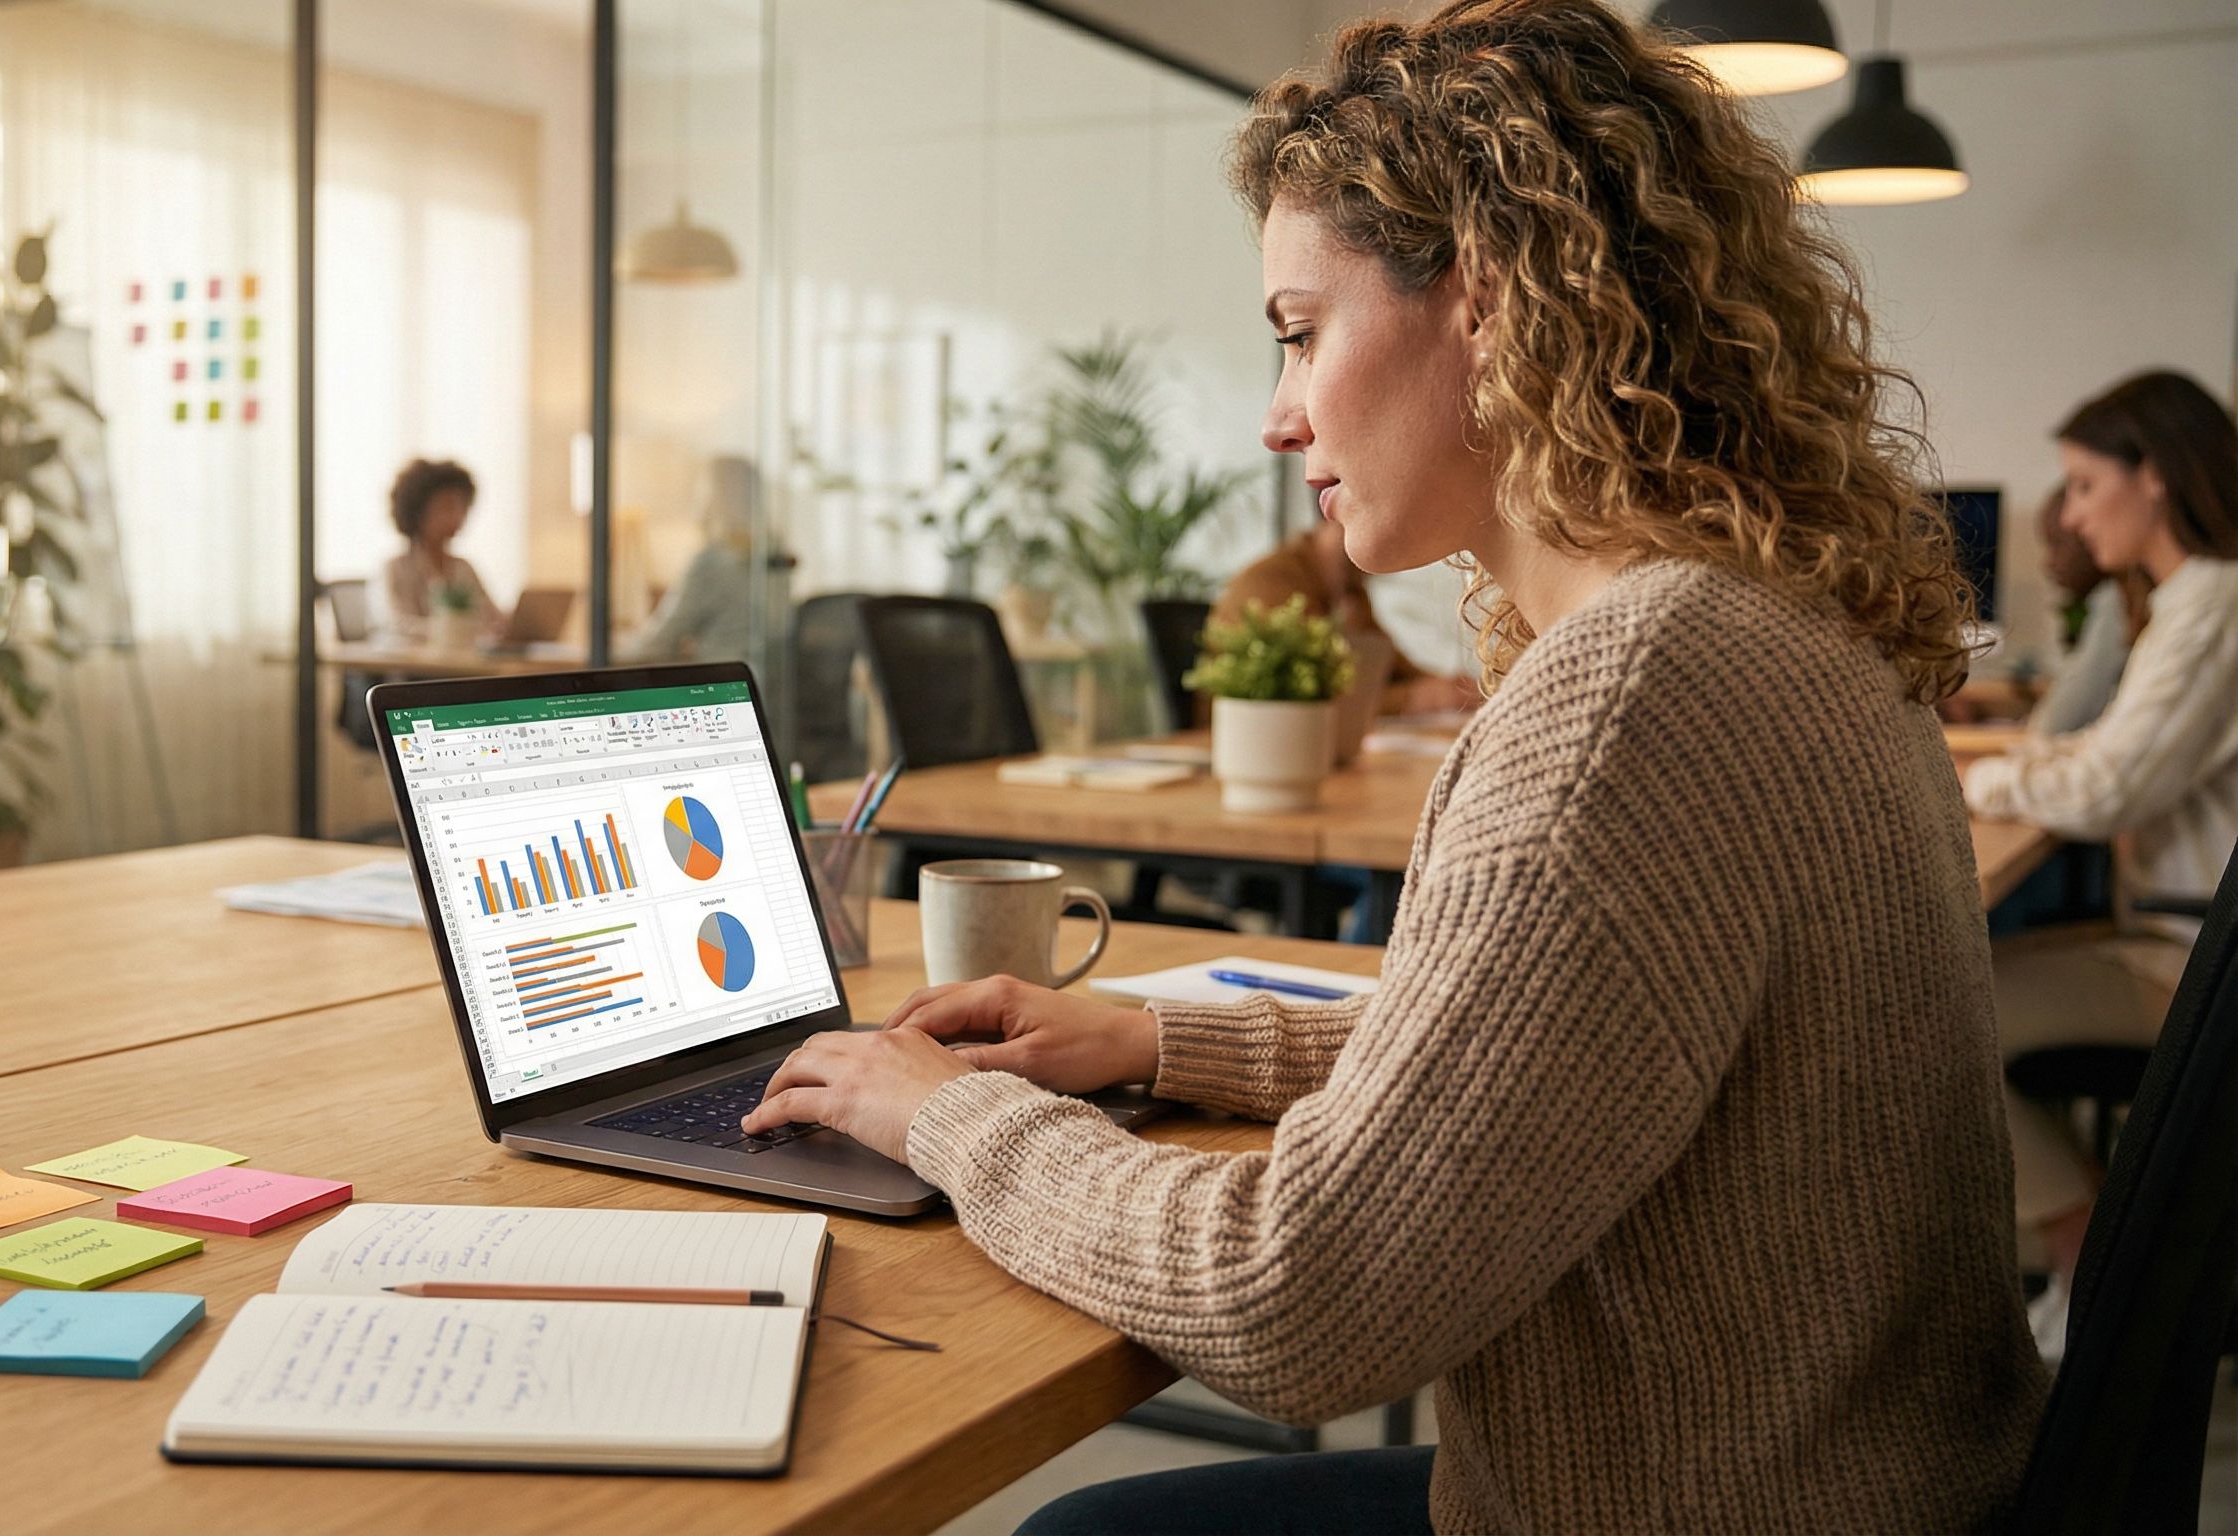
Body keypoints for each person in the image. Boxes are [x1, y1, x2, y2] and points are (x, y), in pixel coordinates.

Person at [742, 3, 2046, 1529]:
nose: (1280, 415)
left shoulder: (1631, 696)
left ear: (1487, 296)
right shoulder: (1758, 624)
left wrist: (948, 1121)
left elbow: (1299, 1303)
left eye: (1300, 332)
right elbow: (1542, 1059)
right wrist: (1158, 1046)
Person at [1963, 370, 2238, 1358]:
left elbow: (2106, 786)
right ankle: (2087, 1262)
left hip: (2186, 966)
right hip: (2169, 939)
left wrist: (1984, 783)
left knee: (1942, 1012)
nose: (2071, 515)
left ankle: (2087, 1264)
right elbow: (2096, 757)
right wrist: (2028, 764)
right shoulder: (2182, 604)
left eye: (2083, 485)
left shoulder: (2211, 601)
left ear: (2152, 477)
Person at [1213, 517, 1478, 715]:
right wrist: (1413, 698)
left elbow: (1386, 660)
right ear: (1335, 515)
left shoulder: (1348, 590)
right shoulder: (1269, 585)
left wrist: (1445, 685)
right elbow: (1307, 696)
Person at [2024, 481, 2145, 739]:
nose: (2049, 562)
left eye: (2057, 544)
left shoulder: (2115, 603)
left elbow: (2056, 724)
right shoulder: (2109, 602)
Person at [621, 455, 768, 663]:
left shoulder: (714, 561)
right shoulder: (774, 558)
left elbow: (661, 641)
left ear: (711, 499)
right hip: (760, 685)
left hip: (720, 686)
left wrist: (608, 648)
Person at [377, 457, 503, 640]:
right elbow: (397, 625)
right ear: (419, 512)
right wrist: (453, 630)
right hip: (413, 666)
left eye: (462, 507)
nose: (457, 517)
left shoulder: (463, 568)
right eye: (446, 507)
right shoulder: (396, 568)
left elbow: (492, 618)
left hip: (462, 664)